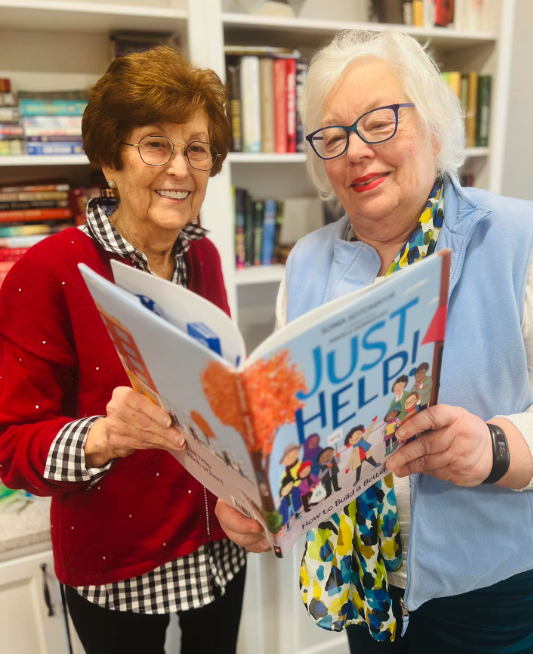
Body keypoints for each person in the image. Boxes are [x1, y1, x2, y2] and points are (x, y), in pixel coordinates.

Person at [215, 30, 533, 653]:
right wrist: (255, 497)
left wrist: (495, 448)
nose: (357, 151)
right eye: (333, 137)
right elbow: (293, 432)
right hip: (360, 589)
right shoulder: (305, 263)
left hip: (493, 592)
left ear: (436, 128)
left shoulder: (519, 238)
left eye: (381, 122)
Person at [0, 48, 247, 654]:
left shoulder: (204, 256)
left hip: (221, 545)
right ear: (111, 159)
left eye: (197, 147)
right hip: (119, 569)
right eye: (156, 144)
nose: (182, 168)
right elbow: (10, 448)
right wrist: (102, 437)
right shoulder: (49, 271)